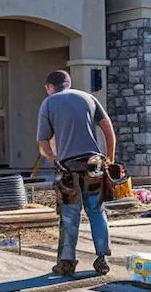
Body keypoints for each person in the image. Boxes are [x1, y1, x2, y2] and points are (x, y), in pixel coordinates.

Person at [36, 69, 117, 277]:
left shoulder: (49, 103)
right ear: (68, 84)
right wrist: (110, 158)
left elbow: (43, 143)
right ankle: (102, 259)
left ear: (50, 87)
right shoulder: (88, 98)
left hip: (68, 167)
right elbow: (108, 129)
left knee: (69, 215)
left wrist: (53, 159)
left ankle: (66, 263)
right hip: (94, 165)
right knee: (96, 211)